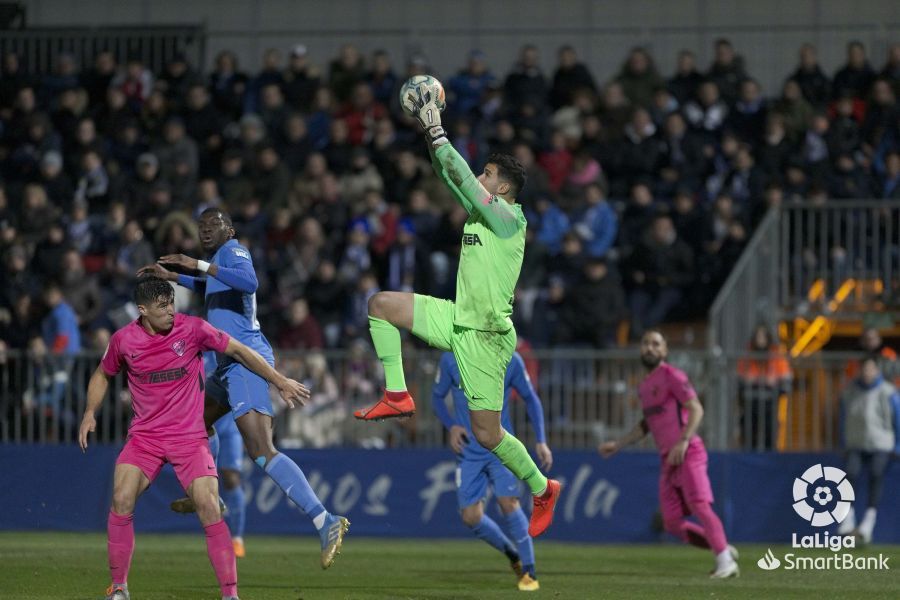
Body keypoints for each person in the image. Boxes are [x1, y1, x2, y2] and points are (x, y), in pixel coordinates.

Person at [352, 82, 561, 538]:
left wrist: (440, 131)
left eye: (487, 174)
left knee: (488, 434)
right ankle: (397, 394)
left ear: (502, 187)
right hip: (456, 318)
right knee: (379, 305)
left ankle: (543, 488)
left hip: (485, 336)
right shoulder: (479, 213)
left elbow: (462, 178)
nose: (480, 179)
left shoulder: (510, 220)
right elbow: (452, 177)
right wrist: (432, 138)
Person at [138, 209, 349, 569]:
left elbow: (248, 282)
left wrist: (196, 264)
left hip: (245, 360)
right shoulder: (218, 262)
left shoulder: (234, 251)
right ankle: (212, 492)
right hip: (225, 362)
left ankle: (324, 520)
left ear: (229, 230)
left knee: (261, 449)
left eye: (212, 226)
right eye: (201, 227)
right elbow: (212, 288)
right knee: (196, 422)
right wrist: (175, 275)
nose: (205, 231)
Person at [78, 276, 311, 600]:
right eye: (162, 306)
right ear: (142, 310)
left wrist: (278, 379)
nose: (171, 311)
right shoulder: (124, 340)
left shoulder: (192, 329)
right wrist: (90, 411)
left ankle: (230, 595)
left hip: (190, 437)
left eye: (172, 303)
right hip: (145, 437)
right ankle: (118, 589)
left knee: (208, 506)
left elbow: (239, 350)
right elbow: (103, 373)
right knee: (121, 499)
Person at [599, 330, 739, 578]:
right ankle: (722, 548)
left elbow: (696, 409)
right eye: (645, 344)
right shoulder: (643, 386)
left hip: (688, 452)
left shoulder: (673, 376)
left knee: (700, 506)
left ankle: (726, 563)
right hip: (668, 458)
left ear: (664, 351)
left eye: (656, 344)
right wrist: (619, 443)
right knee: (672, 523)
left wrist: (684, 440)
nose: (649, 348)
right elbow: (647, 424)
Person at [432, 351, 551, 591]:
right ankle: (511, 553)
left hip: (500, 445)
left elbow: (530, 398)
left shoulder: (509, 358)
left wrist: (541, 439)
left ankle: (529, 571)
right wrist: (451, 426)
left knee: (509, 502)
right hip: (468, 449)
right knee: (470, 517)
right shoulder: (451, 358)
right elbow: (436, 397)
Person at [837, 356, 900, 544]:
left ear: (877, 371)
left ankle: (868, 523)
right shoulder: (850, 392)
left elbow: (897, 419)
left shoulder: (889, 392)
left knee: (876, 473)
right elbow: (843, 419)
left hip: (881, 444)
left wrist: (898, 445)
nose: (867, 373)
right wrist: (843, 443)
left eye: (871, 369)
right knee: (851, 474)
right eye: (864, 369)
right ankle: (847, 519)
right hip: (856, 443)